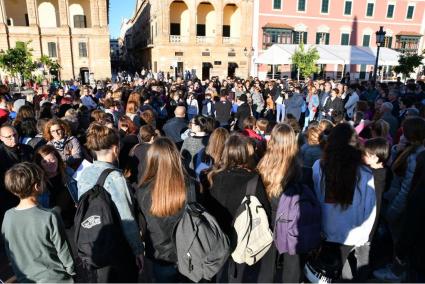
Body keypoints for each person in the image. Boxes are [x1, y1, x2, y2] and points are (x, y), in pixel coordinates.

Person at [77, 122, 143, 282]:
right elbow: (126, 218)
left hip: (95, 241)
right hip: (118, 247)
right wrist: (138, 250)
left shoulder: (85, 172)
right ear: (115, 148)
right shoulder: (115, 177)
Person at [310, 123, 376, 281]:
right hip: (353, 233)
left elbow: (315, 199)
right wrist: (363, 236)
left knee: (325, 273)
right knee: (345, 273)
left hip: (326, 231)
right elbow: (370, 209)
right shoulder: (365, 174)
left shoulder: (319, 167)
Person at [204, 133, 271, 282]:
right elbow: (264, 212)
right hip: (242, 240)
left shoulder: (210, 176)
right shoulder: (253, 180)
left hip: (215, 240)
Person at [1, 162, 75, 283]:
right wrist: (72, 272)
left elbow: (10, 251)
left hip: (26, 279)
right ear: (37, 186)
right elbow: (64, 253)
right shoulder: (49, 216)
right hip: (57, 279)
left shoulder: (8, 216)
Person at [374, 117, 425, 282]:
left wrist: (393, 211)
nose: (401, 134)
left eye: (404, 131)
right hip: (394, 198)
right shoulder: (408, 150)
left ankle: (397, 272)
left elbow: (406, 189)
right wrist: (396, 149)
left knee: (399, 240)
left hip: (400, 206)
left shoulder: (416, 157)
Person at [136, 137, 194, 282]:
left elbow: (143, 226)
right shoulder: (189, 185)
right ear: (175, 157)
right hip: (188, 250)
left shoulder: (142, 189)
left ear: (151, 160)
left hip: (159, 253)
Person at [257, 123, 306, 282]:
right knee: (292, 263)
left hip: (268, 218)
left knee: (267, 265)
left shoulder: (263, 163)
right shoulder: (298, 167)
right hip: (290, 219)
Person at [34, 145, 78, 228]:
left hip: (75, 218)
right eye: (45, 161)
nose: (50, 163)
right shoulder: (38, 182)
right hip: (54, 224)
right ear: (40, 164)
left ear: (58, 159)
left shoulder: (68, 172)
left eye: (52, 159)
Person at [0, 125, 34, 221]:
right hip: (8, 195)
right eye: (9, 137)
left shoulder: (27, 149)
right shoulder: (1, 153)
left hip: (28, 192)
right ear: (1, 138)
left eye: (15, 135)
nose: (13, 138)